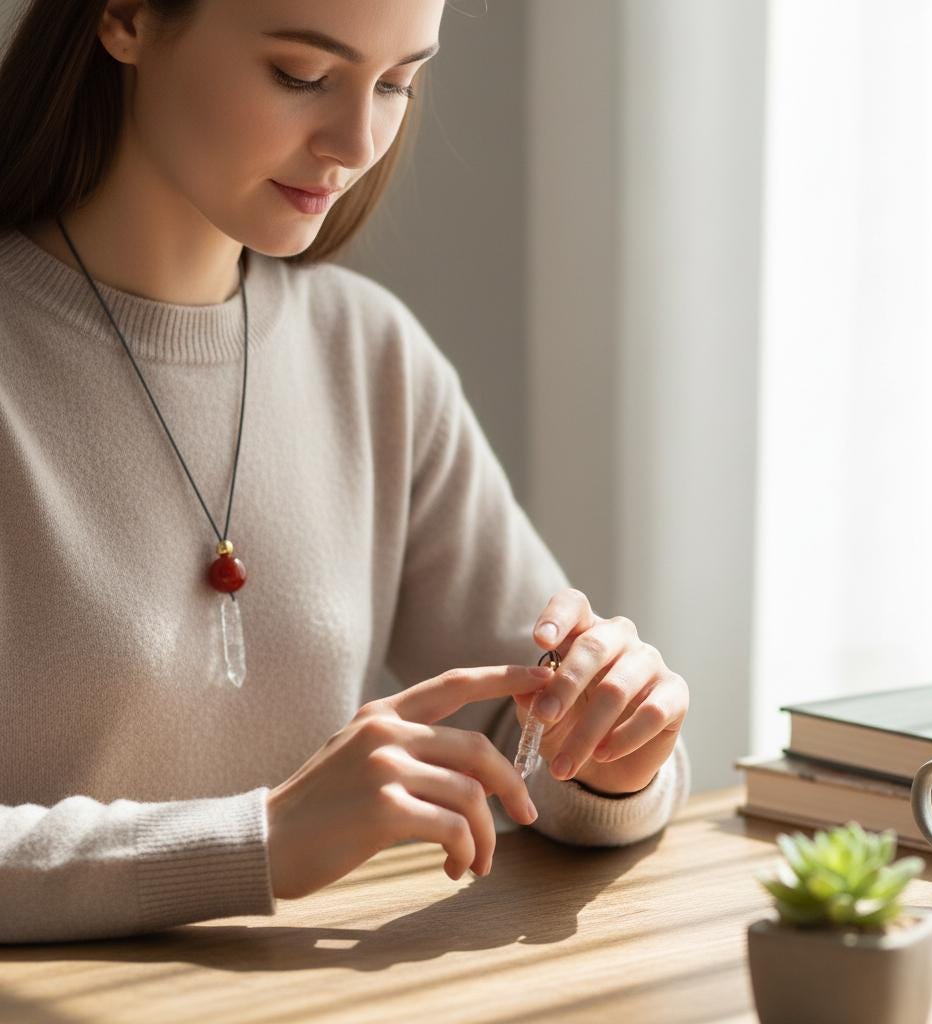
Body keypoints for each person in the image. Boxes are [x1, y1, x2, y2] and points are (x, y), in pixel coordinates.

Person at [0, 0, 691, 944]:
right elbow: (275, 840)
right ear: (125, 17)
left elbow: (533, 747)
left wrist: (614, 750)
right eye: (300, 75)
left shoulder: (370, 356)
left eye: (398, 83)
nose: (357, 140)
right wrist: (260, 839)